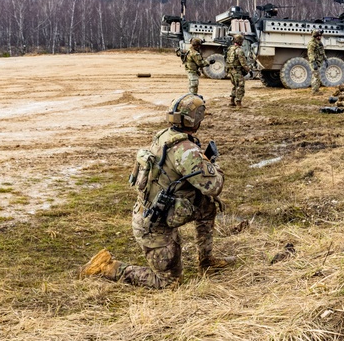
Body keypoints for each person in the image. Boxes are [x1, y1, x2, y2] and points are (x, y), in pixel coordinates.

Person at [79, 94, 234, 288]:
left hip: (157, 211)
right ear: (196, 120)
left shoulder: (166, 136)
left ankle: (206, 261)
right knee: (169, 283)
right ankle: (108, 268)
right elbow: (214, 187)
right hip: (154, 225)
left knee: (206, 206)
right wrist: (213, 166)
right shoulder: (186, 149)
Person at [226, 34, 251, 107]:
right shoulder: (239, 51)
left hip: (231, 70)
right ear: (240, 41)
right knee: (240, 86)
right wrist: (248, 70)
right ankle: (239, 103)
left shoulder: (230, 49)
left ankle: (232, 101)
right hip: (237, 71)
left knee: (235, 85)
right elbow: (243, 63)